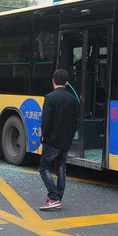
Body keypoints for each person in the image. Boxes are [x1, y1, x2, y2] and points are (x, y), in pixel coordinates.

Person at [38, 69, 80, 211]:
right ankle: (58, 197)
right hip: (66, 141)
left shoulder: (50, 98)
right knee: (61, 167)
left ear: (53, 81)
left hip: (52, 141)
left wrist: (44, 136)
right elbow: (75, 123)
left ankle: (53, 197)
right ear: (67, 83)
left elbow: (46, 122)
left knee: (44, 168)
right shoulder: (73, 100)